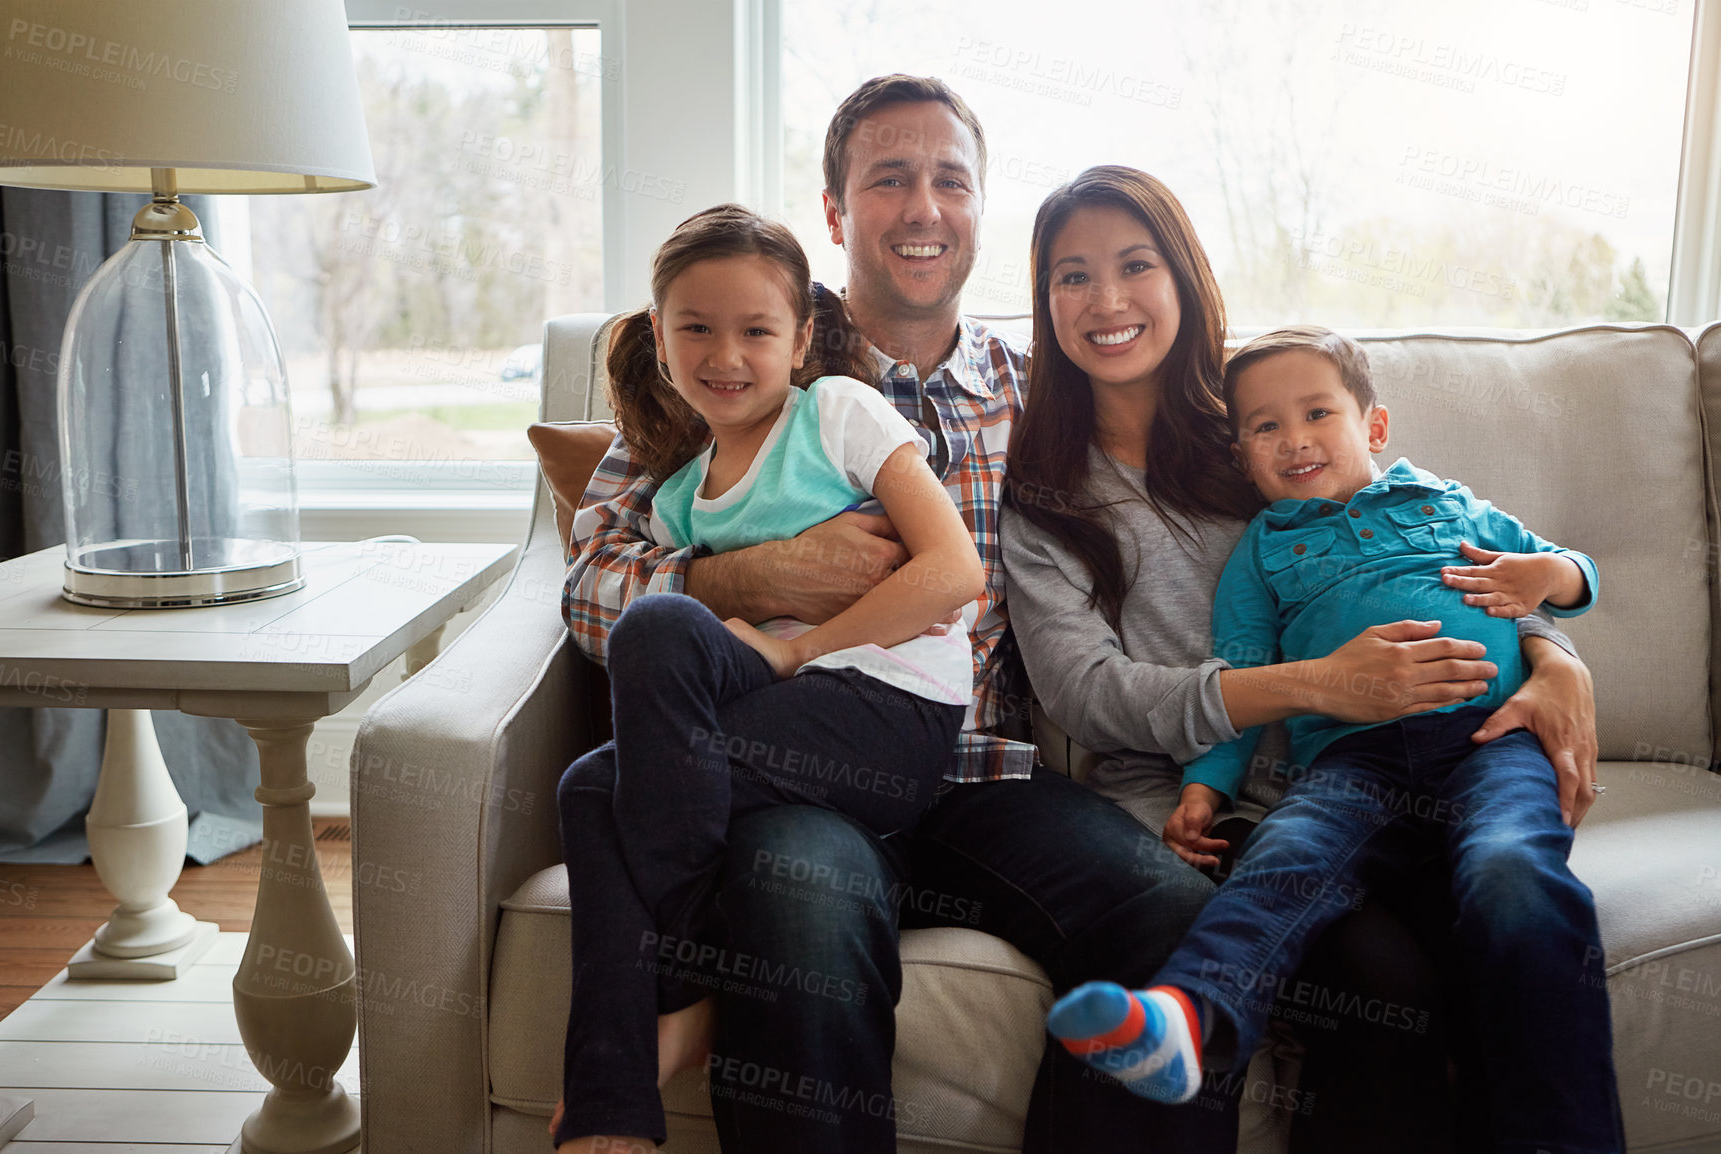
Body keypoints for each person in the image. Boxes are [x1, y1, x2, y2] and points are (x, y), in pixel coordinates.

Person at [565, 84, 1600, 1153]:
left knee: (1174, 924)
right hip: (805, 769)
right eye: (888, 179)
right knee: (801, 916)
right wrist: (760, 573)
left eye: (950, 180)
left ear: (978, 211)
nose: (923, 206)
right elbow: (589, 581)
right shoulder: (748, 355)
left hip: (989, 776)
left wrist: (1545, 643)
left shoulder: (1042, 397)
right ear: (834, 211)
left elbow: (1372, 535)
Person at [998, 166, 1605, 1151]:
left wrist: (1553, 656)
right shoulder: (1051, 493)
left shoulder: (1269, 437)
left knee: (1485, 921)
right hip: (1225, 795)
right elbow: (1087, 692)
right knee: (1378, 982)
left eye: (1135, 265)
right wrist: (1319, 685)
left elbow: (1444, 559)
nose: (1106, 300)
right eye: (1072, 276)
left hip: (1397, 764)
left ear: (1185, 281)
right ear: (1045, 302)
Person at [549, 203, 983, 1151]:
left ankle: (635, 1053)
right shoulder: (676, 498)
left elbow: (954, 571)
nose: (725, 353)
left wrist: (793, 648)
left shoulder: (837, 412)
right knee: (637, 669)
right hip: (782, 713)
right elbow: (606, 604)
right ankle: (631, 1086)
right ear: (658, 341)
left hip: (890, 707)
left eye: (755, 330)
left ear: (800, 344)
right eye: (695, 328)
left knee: (610, 769)